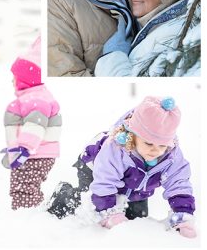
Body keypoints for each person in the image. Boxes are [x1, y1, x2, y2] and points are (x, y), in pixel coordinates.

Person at [47, 96, 197, 238]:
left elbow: (179, 185)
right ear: (133, 136)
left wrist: (182, 215)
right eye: (148, 143)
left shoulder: (171, 156)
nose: (156, 150)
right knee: (89, 206)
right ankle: (63, 195)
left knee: (136, 219)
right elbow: (104, 184)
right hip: (95, 173)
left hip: (136, 187)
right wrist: (110, 213)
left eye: (162, 145)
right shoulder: (116, 149)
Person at [1, 36, 62, 210]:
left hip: (35, 153)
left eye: (15, 77)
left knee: (24, 189)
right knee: (23, 187)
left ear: (24, 79)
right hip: (32, 153)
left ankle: (26, 216)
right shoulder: (33, 97)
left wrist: (24, 148)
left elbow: (36, 125)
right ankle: (30, 214)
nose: (12, 81)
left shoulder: (36, 99)